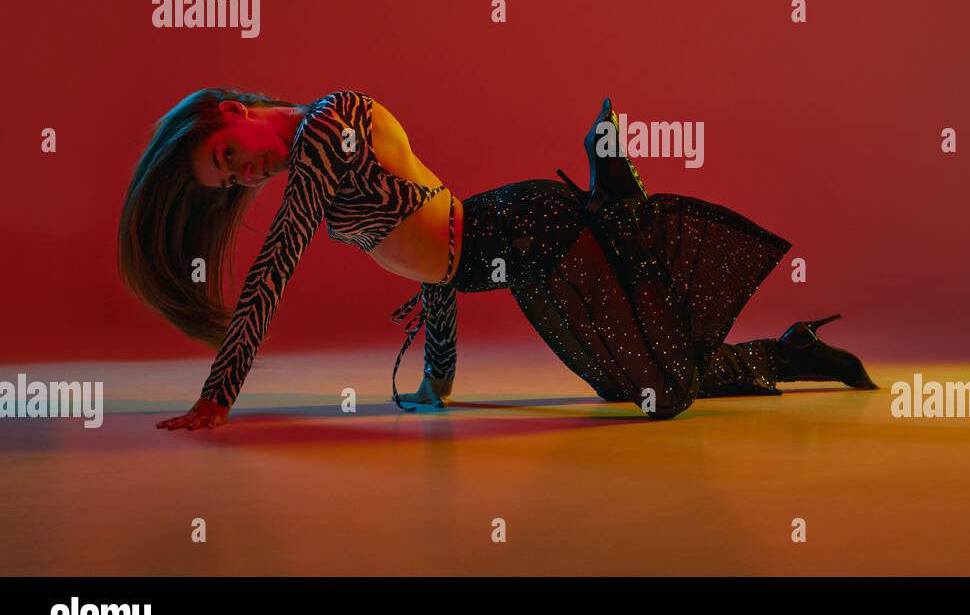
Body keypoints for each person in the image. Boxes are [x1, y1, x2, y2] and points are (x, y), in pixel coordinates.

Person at [117, 88, 877, 430]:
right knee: (634, 384)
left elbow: (277, 260)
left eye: (228, 156)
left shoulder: (327, 128)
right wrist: (436, 384)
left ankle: (611, 192)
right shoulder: (317, 150)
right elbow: (432, 267)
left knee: (662, 392)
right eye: (229, 182)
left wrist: (221, 393)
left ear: (233, 112)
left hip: (526, 230)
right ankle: (791, 354)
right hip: (503, 255)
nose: (244, 175)